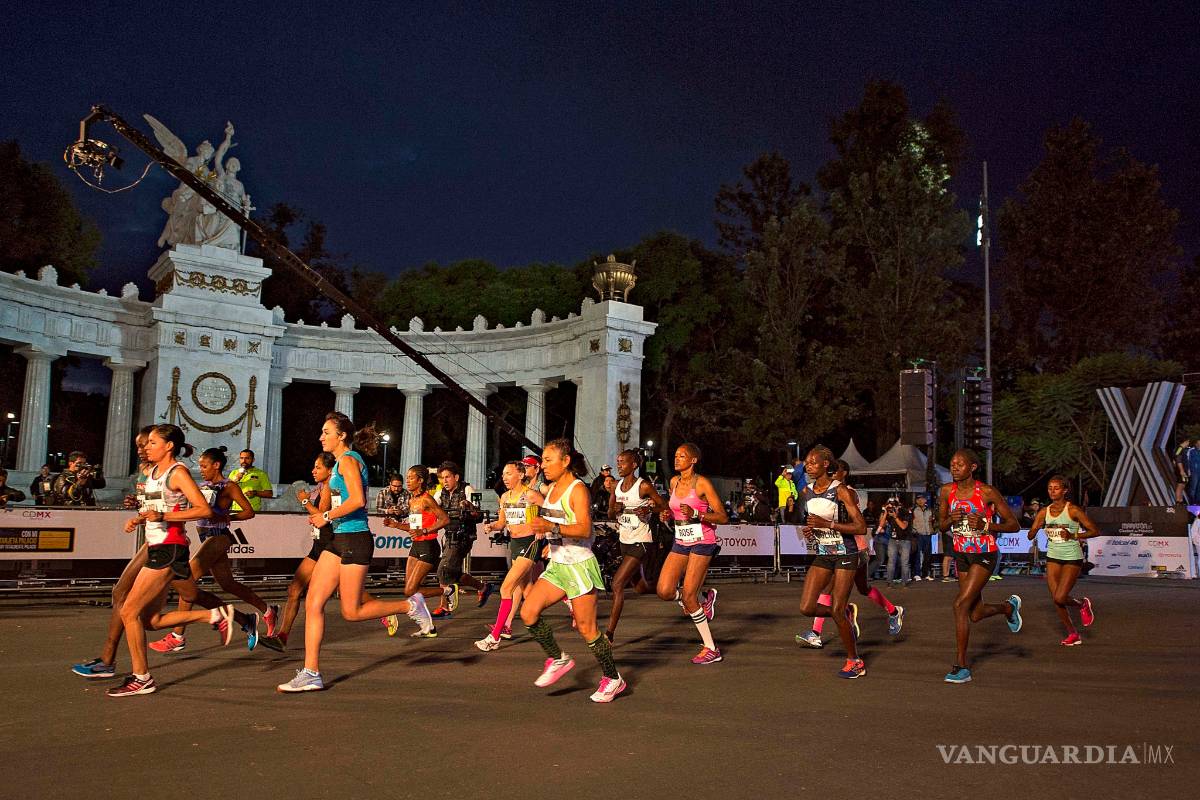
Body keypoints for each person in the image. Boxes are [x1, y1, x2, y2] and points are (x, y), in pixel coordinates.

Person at [277, 413, 434, 693]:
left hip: (355, 539)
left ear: (341, 436)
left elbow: (358, 500)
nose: (321, 437)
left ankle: (410, 605)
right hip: (339, 540)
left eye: (326, 432)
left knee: (351, 611)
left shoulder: (348, 460)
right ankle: (311, 672)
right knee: (313, 601)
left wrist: (325, 515)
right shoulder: (339, 464)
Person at [106, 425, 257, 697]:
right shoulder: (152, 473)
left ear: (169, 446)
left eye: (152, 442)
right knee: (150, 620)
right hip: (156, 546)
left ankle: (142, 677)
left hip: (169, 548)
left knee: (129, 610)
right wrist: (139, 517)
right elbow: (157, 509)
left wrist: (162, 518)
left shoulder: (178, 472)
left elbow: (202, 509)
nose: (146, 446)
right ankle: (212, 614)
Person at [518, 439, 625, 703]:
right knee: (528, 612)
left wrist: (550, 529)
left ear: (565, 461)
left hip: (579, 565)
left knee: (588, 630)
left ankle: (613, 678)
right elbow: (553, 522)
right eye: (542, 460)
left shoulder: (578, 490)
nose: (543, 465)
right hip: (558, 564)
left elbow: (584, 530)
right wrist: (545, 537)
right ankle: (558, 658)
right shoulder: (552, 489)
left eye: (548, 460)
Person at [148, 446, 282, 653]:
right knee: (228, 584)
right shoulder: (201, 486)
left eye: (204, 465)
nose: (200, 469)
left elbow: (248, 512)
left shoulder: (229, 486)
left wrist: (227, 517)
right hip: (206, 538)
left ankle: (177, 636)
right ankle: (265, 611)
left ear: (216, 465)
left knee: (188, 580)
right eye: (200, 466)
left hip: (219, 537)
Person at [71, 427, 155, 679]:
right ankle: (111, 660)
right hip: (153, 540)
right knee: (146, 611)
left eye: (146, 444)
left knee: (130, 601)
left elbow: (188, 505)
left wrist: (153, 512)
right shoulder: (146, 471)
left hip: (166, 544)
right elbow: (155, 502)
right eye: (139, 445)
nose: (140, 450)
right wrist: (140, 505)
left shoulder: (174, 471)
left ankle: (224, 616)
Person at [796, 459, 903, 648]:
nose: (831, 476)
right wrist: (814, 529)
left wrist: (825, 524)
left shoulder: (848, 492)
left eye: (834, 472)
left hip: (855, 549)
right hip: (837, 550)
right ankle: (893, 611)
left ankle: (819, 631)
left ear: (843, 473)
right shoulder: (823, 492)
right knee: (860, 589)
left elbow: (850, 523)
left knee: (840, 589)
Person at [939, 448, 1023, 684]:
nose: (954, 467)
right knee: (974, 614)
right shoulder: (947, 492)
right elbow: (941, 526)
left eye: (960, 464)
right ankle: (1008, 608)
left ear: (972, 467)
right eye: (952, 463)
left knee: (960, 605)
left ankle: (961, 666)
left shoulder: (986, 492)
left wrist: (986, 525)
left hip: (984, 553)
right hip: (962, 554)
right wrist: (949, 520)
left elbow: (1013, 525)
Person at [795, 447, 869, 678]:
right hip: (824, 553)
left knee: (836, 607)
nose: (808, 466)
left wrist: (827, 525)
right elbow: (814, 521)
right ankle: (846, 614)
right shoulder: (806, 492)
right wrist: (812, 530)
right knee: (806, 607)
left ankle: (854, 660)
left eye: (813, 463)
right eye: (806, 463)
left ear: (826, 464)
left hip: (846, 553)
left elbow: (861, 527)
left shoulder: (841, 491)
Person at [656, 443, 727, 664]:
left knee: (688, 596)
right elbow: (677, 512)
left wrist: (698, 513)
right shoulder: (674, 482)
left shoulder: (702, 483)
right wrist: (667, 515)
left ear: (693, 460)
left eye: (682, 456)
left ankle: (711, 648)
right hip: (681, 540)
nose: (677, 459)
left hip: (702, 541)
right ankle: (704, 598)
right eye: (675, 455)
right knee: (664, 591)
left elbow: (722, 517)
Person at [476, 460, 545, 651]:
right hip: (514, 544)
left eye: (508, 473)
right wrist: (491, 526)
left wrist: (543, 527)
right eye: (503, 474)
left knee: (506, 588)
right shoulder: (505, 497)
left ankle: (495, 636)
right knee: (525, 588)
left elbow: (552, 512)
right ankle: (543, 620)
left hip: (529, 543)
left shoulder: (531, 495)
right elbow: (501, 522)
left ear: (521, 475)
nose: (504, 477)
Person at [602, 448, 668, 642]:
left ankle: (609, 634)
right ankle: (674, 590)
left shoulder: (643, 486)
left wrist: (647, 508)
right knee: (640, 587)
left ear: (634, 465)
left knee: (617, 583)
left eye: (623, 462)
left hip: (642, 540)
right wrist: (616, 508)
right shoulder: (615, 486)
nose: (619, 465)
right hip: (625, 540)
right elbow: (610, 514)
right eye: (618, 461)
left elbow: (662, 506)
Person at [1026, 475, 1099, 645]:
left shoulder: (1073, 510)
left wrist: (1073, 535)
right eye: (1050, 488)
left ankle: (1081, 604)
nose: (1052, 491)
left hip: (1072, 557)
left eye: (1056, 488)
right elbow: (1030, 535)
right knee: (1056, 599)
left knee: (1060, 597)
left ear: (1065, 490)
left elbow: (1095, 531)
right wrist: (1035, 528)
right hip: (1053, 556)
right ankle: (1073, 633)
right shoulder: (1044, 512)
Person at [380, 464, 452, 623]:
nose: (407, 481)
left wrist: (425, 531)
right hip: (416, 546)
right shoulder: (412, 500)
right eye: (407, 478)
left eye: (411, 478)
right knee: (410, 592)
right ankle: (427, 625)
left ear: (420, 480)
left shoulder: (427, 499)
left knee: (410, 589)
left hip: (429, 546)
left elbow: (445, 519)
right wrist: (395, 525)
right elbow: (414, 528)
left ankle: (447, 591)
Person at [430, 461, 491, 617]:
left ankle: (444, 606)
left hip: (464, 536)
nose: (444, 481)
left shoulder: (467, 489)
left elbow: (479, 515)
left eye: (447, 477)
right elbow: (431, 509)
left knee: (443, 569)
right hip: (448, 536)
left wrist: (469, 507)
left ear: (456, 477)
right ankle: (482, 587)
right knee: (452, 572)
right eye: (441, 478)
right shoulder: (439, 493)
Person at [228, 448, 274, 513]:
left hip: (252, 511)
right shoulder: (234, 473)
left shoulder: (261, 474)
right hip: (235, 511)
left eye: (247, 458)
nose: (244, 461)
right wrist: (236, 479)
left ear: (253, 460)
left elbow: (269, 493)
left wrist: (255, 493)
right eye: (241, 458)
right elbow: (226, 491)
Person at [881, 497, 913, 586]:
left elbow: (903, 526)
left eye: (893, 506)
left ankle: (904, 582)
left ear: (898, 506)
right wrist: (885, 513)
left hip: (905, 540)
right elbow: (881, 524)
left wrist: (895, 517)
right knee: (891, 561)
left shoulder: (905, 513)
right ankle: (889, 581)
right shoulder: (890, 514)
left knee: (904, 562)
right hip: (893, 540)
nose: (892, 508)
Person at [910, 494, 935, 580]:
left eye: (922, 499)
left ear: (925, 500)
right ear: (916, 501)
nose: (920, 500)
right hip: (918, 534)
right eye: (918, 499)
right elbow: (909, 522)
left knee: (927, 555)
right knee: (917, 555)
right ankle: (917, 573)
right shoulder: (913, 510)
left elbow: (935, 521)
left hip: (928, 534)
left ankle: (925, 573)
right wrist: (913, 531)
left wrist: (933, 529)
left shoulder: (930, 510)